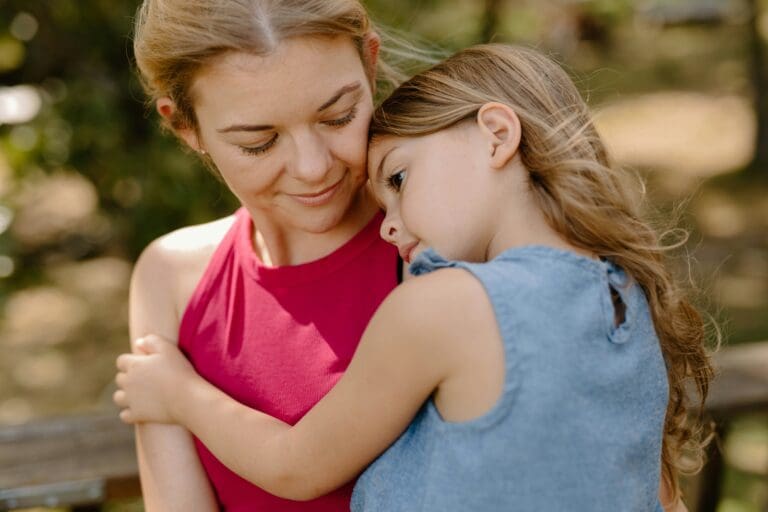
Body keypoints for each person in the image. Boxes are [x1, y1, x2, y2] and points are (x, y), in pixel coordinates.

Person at [115, 44, 714, 511]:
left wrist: (178, 394)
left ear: (497, 135)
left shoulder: (441, 304)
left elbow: (296, 464)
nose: (388, 227)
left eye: (398, 180)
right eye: (260, 139)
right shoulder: (623, 295)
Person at [123, 1, 425, 510]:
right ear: (185, 127)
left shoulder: (430, 241)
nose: (312, 168)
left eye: (339, 116)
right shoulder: (171, 277)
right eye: (259, 142)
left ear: (370, 65)